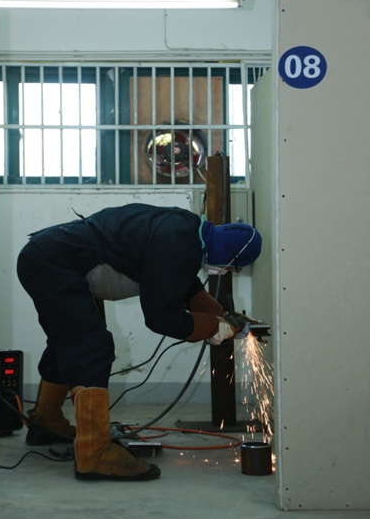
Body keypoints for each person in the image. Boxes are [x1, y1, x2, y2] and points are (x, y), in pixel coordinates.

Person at [16, 203, 262, 481]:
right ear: (229, 256)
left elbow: (181, 282)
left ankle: (46, 422)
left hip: (45, 255)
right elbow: (162, 318)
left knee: (68, 341)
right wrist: (213, 328)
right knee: (91, 347)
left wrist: (222, 315)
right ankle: (94, 454)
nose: (228, 270)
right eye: (232, 266)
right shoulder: (179, 245)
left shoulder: (186, 230)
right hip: (53, 264)